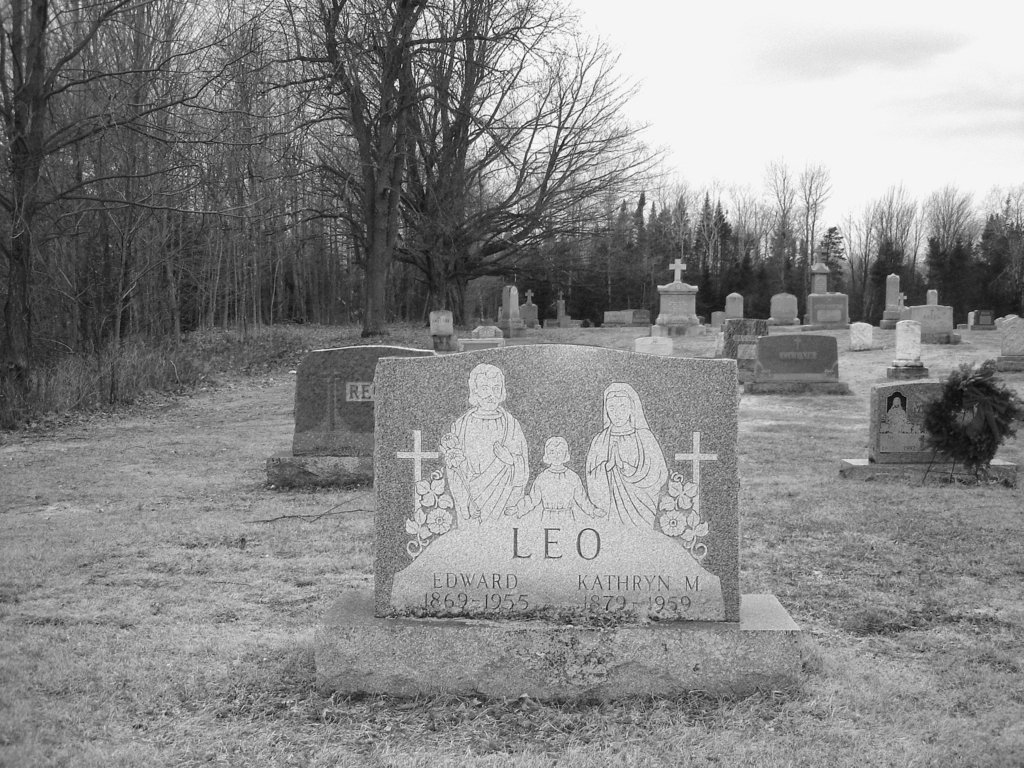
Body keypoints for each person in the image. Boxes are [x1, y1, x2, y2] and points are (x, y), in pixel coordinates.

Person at [441, 364, 528, 523]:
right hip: (472, 503)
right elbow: (454, 469)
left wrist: (511, 461)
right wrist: (465, 502)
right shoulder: (461, 426)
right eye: (484, 388)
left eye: (496, 388)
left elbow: (523, 465)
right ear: (474, 391)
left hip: (502, 502)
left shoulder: (511, 425)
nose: (491, 395)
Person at [585, 382, 668, 527]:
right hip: (610, 509)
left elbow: (659, 473)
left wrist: (627, 468)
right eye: (612, 407)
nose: (617, 412)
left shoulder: (644, 437)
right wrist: (606, 467)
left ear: (631, 408)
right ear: (606, 410)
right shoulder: (600, 440)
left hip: (641, 507)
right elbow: (590, 475)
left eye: (622, 406)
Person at [505, 437, 603, 522]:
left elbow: (582, 499)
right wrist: (517, 509)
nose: (556, 455)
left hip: (567, 517)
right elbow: (532, 499)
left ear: (565, 454)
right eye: (552, 452)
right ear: (547, 455)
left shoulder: (572, 477)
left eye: (560, 452)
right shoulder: (542, 477)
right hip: (548, 517)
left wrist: (593, 510)